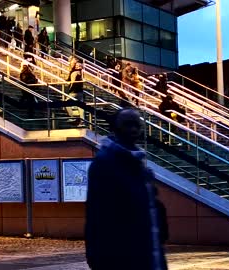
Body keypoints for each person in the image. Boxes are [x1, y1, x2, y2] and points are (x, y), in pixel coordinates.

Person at [85, 108, 168, 270]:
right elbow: (96, 215)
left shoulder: (137, 162)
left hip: (146, 252)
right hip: (122, 256)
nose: (133, 130)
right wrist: (96, 256)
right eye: (127, 125)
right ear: (115, 128)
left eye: (137, 125)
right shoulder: (105, 163)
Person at [66, 61, 85, 127]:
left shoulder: (74, 72)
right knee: (80, 106)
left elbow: (72, 82)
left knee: (66, 103)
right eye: (77, 66)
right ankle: (82, 121)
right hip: (80, 91)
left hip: (74, 91)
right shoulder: (81, 73)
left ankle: (72, 117)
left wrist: (69, 89)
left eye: (79, 66)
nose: (78, 67)